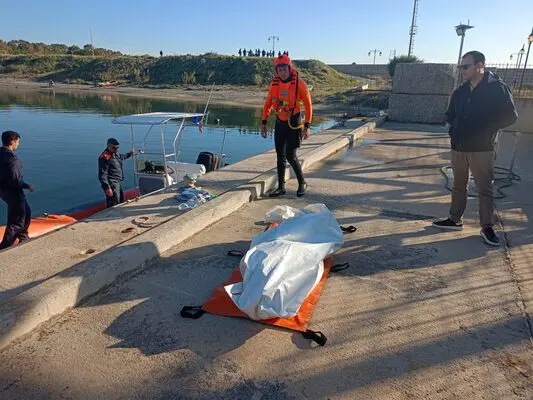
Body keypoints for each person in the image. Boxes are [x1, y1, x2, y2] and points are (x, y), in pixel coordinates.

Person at [433, 51, 518, 246]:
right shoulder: (460, 92)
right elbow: (450, 114)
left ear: (480, 65)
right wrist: (454, 130)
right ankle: (454, 219)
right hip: (458, 147)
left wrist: (487, 129)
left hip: (481, 148)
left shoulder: (497, 89)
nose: (461, 70)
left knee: (484, 189)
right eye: (460, 67)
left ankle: (487, 227)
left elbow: (511, 116)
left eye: (465, 66)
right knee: (458, 185)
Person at [261, 54, 312, 197]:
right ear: (276, 71)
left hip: (294, 123)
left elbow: (308, 106)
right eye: (280, 70)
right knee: (280, 156)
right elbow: (268, 104)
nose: (282, 72)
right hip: (280, 123)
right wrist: (264, 122)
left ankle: (302, 183)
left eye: (285, 69)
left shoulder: (299, 83)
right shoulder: (274, 84)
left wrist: (307, 126)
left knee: (291, 154)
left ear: (290, 69)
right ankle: (281, 187)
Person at [0, 131, 34, 250]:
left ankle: (24, 237)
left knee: (27, 212)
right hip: (13, 192)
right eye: (18, 142)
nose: (18, 145)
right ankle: (5, 247)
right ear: (12, 142)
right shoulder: (12, 158)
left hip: (3, 191)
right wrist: (27, 186)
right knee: (17, 221)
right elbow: (15, 180)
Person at [98, 138, 136, 208]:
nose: (117, 149)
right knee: (114, 202)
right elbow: (102, 175)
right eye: (115, 148)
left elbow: (121, 157)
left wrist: (130, 154)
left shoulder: (114, 153)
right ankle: (112, 217)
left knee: (120, 200)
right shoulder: (105, 157)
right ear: (108, 146)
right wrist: (107, 188)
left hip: (118, 181)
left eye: (118, 147)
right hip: (112, 183)